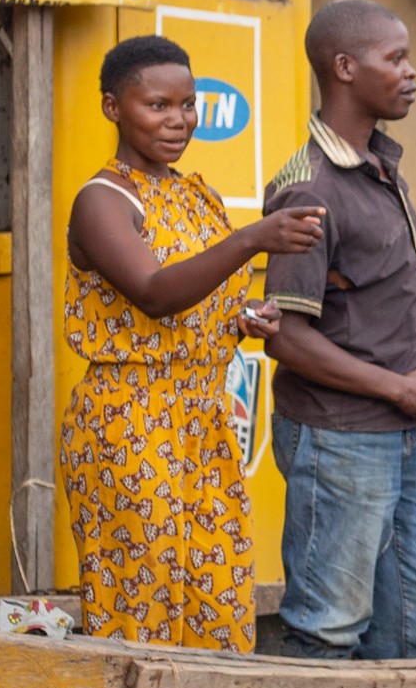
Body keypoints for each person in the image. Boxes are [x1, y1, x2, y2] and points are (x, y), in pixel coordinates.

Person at [59, 35, 324, 651]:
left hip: (202, 417)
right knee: (142, 595)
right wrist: (252, 238)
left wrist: (244, 317)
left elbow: (202, 302)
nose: (178, 121)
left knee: (217, 584)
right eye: (157, 105)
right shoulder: (102, 200)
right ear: (112, 108)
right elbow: (153, 292)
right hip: (130, 421)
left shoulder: (193, 194)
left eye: (188, 103)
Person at [261, 0, 416, 660]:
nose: (411, 72)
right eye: (397, 59)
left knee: (410, 623)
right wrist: (397, 388)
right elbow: (286, 336)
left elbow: (370, 297)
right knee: (328, 625)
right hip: (338, 435)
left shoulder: (380, 167)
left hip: (395, 427)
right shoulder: (311, 188)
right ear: (346, 67)